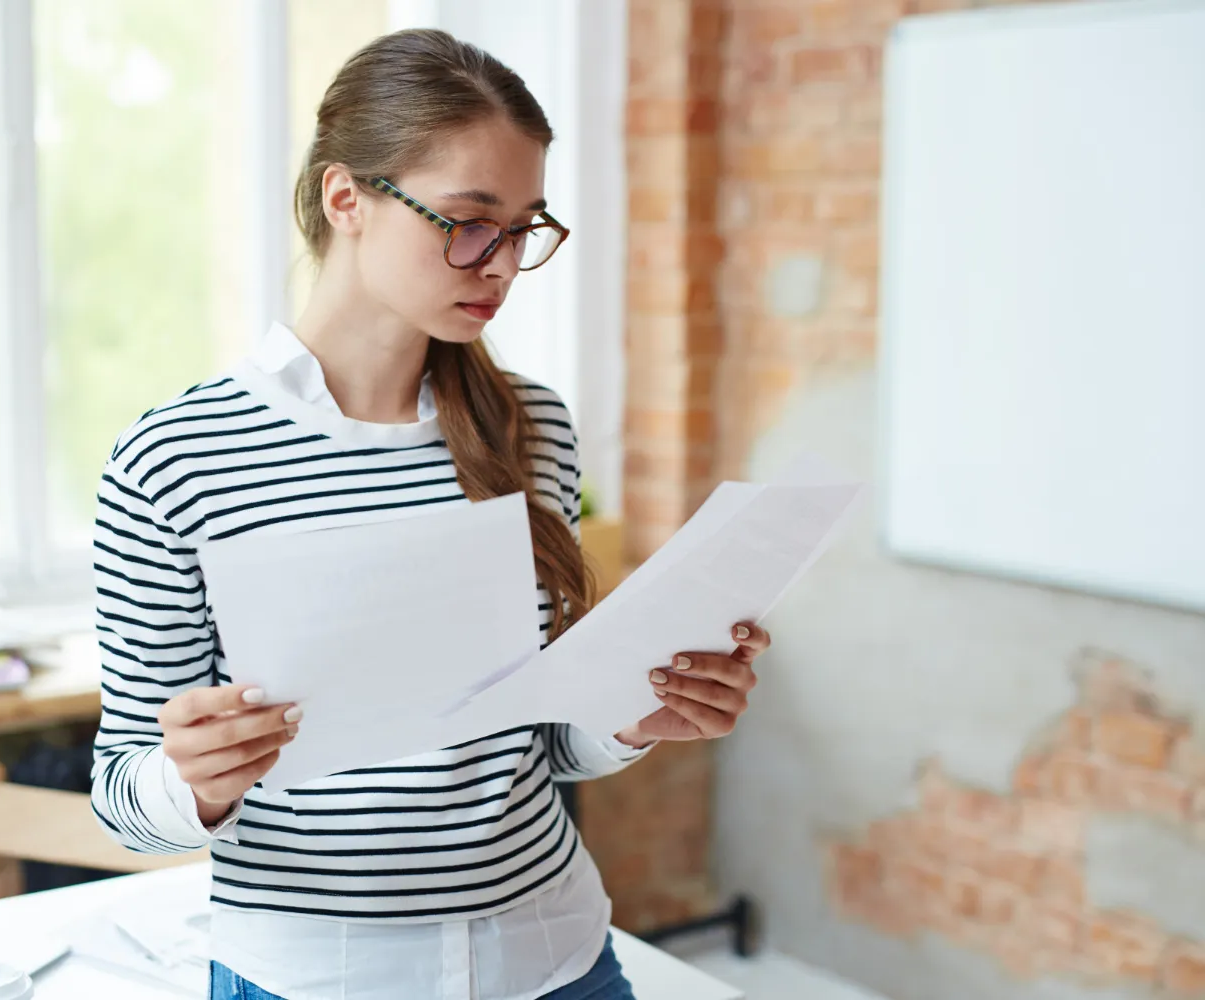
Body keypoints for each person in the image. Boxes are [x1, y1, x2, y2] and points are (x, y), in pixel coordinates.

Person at [90, 27, 768, 1000]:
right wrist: (192, 779)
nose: (499, 262)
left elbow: (540, 740)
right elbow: (121, 796)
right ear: (346, 198)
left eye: (525, 225)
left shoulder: (530, 425)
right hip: (312, 977)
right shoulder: (175, 458)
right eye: (467, 219)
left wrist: (635, 712)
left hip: (556, 960)